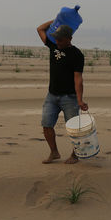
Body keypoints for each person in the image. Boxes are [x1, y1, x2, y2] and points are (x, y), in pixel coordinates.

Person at [36, 21, 88, 164]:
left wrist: (80, 100)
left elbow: (78, 79)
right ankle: (54, 152)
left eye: (60, 39)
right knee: (46, 125)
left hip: (69, 98)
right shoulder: (53, 45)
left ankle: (75, 154)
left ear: (69, 39)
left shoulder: (77, 55)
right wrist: (57, 19)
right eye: (56, 38)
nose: (57, 41)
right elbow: (40, 29)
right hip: (51, 95)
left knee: (73, 129)